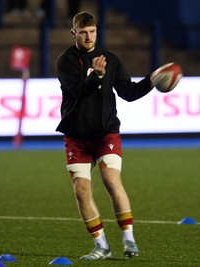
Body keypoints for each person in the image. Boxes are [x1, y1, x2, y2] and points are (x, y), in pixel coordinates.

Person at [56, 11, 155, 260]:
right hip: (76, 136)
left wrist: (152, 80)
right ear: (74, 33)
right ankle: (102, 246)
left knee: (111, 181)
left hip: (106, 133)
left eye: (92, 32)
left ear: (97, 31)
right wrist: (96, 77)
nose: (88, 37)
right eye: (83, 32)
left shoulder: (110, 59)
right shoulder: (66, 61)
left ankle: (129, 240)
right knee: (81, 191)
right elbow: (78, 91)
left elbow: (129, 92)